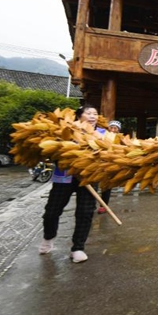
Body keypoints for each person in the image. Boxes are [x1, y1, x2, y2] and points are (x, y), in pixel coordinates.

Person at [38, 105, 104, 263]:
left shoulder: (103, 135)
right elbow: (51, 152)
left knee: (85, 213)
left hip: (89, 177)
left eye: (95, 113)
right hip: (65, 176)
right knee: (52, 211)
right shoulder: (65, 130)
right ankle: (48, 237)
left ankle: (78, 248)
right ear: (79, 116)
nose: (93, 116)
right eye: (88, 113)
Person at [97, 119, 123, 213]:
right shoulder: (103, 136)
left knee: (106, 186)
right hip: (98, 162)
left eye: (115, 128)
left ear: (118, 130)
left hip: (110, 164)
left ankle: (103, 205)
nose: (112, 129)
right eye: (111, 127)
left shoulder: (121, 138)